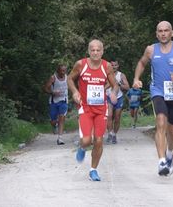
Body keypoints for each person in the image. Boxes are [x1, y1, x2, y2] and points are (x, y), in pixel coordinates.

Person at [133, 21, 173, 176]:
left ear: (171, 33)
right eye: (160, 31)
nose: (163, 33)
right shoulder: (151, 50)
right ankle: (161, 162)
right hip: (158, 91)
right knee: (161, 121)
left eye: (166, 31)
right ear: (156, 33)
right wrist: (136, 78)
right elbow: (141, 63)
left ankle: (169, 153)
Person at [67, 39, 118, 181]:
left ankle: (93, 170)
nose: (95, 53)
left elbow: (115, 84)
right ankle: (82, 147)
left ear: (102, 51)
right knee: (86, 139)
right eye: (92, 50)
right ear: (89, 51)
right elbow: (70, 79)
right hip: (85, 108)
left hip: (101, 108)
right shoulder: (80, 64)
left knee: (99, 140)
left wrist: (113, 93)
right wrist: (75, 92)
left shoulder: (107, 66)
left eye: (98, 50)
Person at [43, 64, 68, 145]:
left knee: (62, 117)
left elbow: (71, 86)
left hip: (64, 101)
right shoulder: (53, 78)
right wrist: (52, 92)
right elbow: (45, 88)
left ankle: (60, 138)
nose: (63, 72)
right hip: (54, 102)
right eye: (62, 71)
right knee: (53, 121)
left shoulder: (68, 77)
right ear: (58, 71)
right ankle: (54, 125)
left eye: (65, 71)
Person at [105, 60, 129, 144]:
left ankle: (114, 134)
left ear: (118, 66)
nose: (113, 67)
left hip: (119, 98)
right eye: (112, 65)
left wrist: (119, 84)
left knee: (117, 117)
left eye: (115, 65)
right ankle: (110, 133)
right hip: (108, 97)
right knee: (109, 116)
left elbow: (127, 87)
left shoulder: (121, 75)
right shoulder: (106, 74)